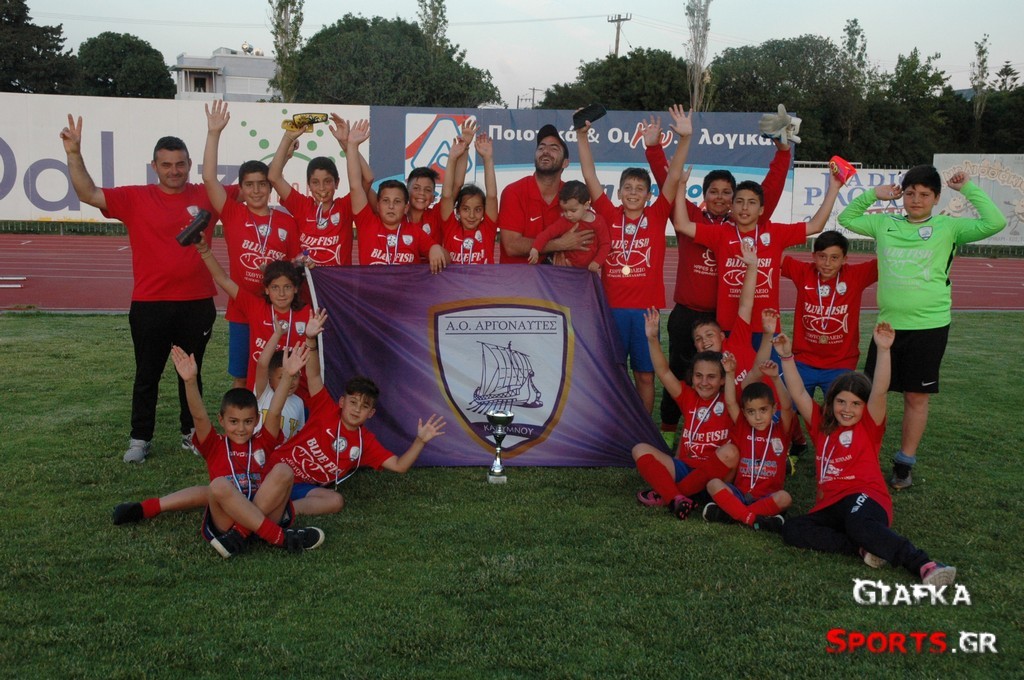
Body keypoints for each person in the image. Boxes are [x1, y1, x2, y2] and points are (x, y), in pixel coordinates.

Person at [60, 114, 218, 463]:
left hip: (197, 302)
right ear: (154, 166)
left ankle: (192, 433)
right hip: (150, 303)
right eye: (166, 165)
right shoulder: (135, 197)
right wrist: (73, 153)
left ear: (190, 164)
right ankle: (140, 438)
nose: (174, 171)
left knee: (191, 373)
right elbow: (88, 193)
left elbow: (257, 187)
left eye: (180, 164)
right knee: (147, 374)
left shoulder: (208, 194)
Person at [838, 167, 1006, 489]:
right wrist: (875, 194)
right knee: (874, 393)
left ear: (937, 198)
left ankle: (904, 464)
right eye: (910, 193)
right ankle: (864, 456)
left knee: (916, 397)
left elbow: (995, 222)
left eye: (925, 194)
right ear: (902, 194)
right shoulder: (884, 223)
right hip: (887, 328)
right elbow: (847, 218)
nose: (916, 200)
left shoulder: (949, 227)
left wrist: (968, 189)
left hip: (930, 326)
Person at [774, 327, 957, 586]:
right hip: (830, 505)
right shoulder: (821, 425)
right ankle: (860, 548)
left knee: (858, 523)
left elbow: (879, 390)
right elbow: (799, 393)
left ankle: (923, 564)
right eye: (841, 402)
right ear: (831, 402)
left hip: (865, 497)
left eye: (856, 404)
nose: (847, 409)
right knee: (793, 529)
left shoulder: (869, 426)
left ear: (865, 406)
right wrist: (786, 356)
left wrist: (883, 349)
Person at [115, 344, 325, 558]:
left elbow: (275, 411)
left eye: (248, 421)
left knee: (283, 470)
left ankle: (241, 534)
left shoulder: (262, 442)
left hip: (263, 510)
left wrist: (288, 376)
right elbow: (199, 416)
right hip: (227, 519)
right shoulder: (214, 445)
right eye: (234, 421)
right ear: (221, 420)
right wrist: (189, 381)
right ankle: (280, 538)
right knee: (218, 486)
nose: (241, 428)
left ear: (256, 421)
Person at [660, 127, 793, 443]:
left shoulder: (741, 225)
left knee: (722, 377)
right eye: (713, 192)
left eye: (726, 193)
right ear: (704, 195)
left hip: (722, 321)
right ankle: (669, 431)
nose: (720, 197)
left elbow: (769, 193)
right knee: (681, 374)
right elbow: (670, 186)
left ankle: (722, 431)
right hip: (686, 314)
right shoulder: (694, 218)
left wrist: (783, 154)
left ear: (735, 201)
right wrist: (657, 152)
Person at [267, 318, 447, 516]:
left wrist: (420, 441)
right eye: (353, 402)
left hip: (302, 487)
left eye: (364, 406)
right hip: (277, 470)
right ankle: (270, 510)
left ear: (371, 413)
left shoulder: (365, 442)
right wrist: (310, 339)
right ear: (342, 402)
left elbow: (399, 466)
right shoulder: (325, 409)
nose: (356, 409)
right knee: (275, 479)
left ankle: (283, 515)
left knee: (335, 500)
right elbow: (314, 375)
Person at [576, 106, 692, 412]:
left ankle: (642, 429)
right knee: (612, 375)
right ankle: (613, 426)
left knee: (644, 375)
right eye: (627, 188)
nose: (633, 193)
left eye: (640, 189)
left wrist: (684, 139)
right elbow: (589, 175)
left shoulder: (657, 215)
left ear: (649, 195)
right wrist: (582, 137)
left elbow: (674, 176)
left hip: (645, 312)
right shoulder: (609, 213)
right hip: (612, 309)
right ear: (619, 193)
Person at [203, 100, 301, 388]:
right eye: (249, 185)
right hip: (242, 310)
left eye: (262, 184)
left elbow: (295, 267)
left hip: (279, 310)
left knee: (280, 373)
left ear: (270, 187)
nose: (256, 190)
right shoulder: (232, 213)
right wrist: (214, 133)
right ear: (241, 189)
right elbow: (209, 178)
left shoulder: (286, 222)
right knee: (242, 375)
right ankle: (241, 418)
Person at [674, 172, 843, 338]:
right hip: (729, 325)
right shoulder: (720, 234)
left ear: (761, 209)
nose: (745, 207)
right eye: (739, 202)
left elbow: (815, 225)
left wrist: (834, 188)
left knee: (770, 358)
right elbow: (682, 224)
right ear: (731, 206)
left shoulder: (775, 233)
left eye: (752, 202)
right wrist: (681, 185)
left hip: (766, 325)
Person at [632, 308, 737, 520]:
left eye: (711, 377)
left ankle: (670, 494)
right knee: (639, 449)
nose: (704, 382)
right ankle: (677, 498)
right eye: (699, 376)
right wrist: (652, 338)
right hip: (685, 467)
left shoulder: (730, 399)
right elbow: (663, 372)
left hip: (713, 474)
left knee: (731, 452)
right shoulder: (688, 396)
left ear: (722, 380)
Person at [268, 113, 375, 267]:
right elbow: (274, 177)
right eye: (315, 182)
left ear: (337, 183)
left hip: (337, 282)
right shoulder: (302, 206)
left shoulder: (345, 206)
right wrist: (288, 137)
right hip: (306, 282)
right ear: (309, 185)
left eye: (327, 181)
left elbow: (367, 179)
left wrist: (349, 146)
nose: (322, 188)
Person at [781, 230, 878, 397]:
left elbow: (889, 260)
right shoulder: (803, 272)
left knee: (840, 410)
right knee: (791, 408)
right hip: (803, 361)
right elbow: (772, 254)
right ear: (813, 256)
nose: (827, 263)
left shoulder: (855, 275)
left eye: (834, 258)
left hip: (841, 363)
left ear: (844, 259)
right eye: (822, 256)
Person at [701, 358, 794, 532]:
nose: (758, 417)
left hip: (767, 496)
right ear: (744, 413)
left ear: (774, 409)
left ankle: (730, 513)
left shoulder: (781, 431)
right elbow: (730, 402)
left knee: (785, 498)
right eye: (751, 412)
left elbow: (788, 407)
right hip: (739, 494)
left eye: (763, 410)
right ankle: (753, 518)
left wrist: (775, 378)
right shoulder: (743, 427)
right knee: (713, 484)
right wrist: (730, 373)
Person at [345, 120, 448, 270]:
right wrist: (352, 146)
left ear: (406, 207)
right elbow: (355, 185)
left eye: (397, 201)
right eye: (386, 201)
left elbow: (446, 258)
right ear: (377, 205)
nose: (391, 206)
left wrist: (436, 249)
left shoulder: (414, 232)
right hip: (372, 287)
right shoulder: (367, 223)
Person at [497, 124, 593, 264]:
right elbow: (511, 246)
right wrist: (559, 245)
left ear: (565, 163)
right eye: (541, 148)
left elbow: (583, 239)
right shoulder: (514, 191)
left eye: (554, 148)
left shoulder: (574, 194)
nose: (545, 151)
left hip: (559, 276)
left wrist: (568, 257)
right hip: (517, 277)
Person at [438, 131, 498, 265]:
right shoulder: (450, 227)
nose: (471, 215)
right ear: (457, 210)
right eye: (465, 209)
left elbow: (492, 196)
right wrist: (452, 159)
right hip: (453, 280)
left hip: (483, 280)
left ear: (484, 211)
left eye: (478, 209)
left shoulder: (487, 229)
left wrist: (487, 159)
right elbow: (447, 195)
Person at [528, 181, 610, 271]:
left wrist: (597, 262)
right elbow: (547, 234)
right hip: (567, 270)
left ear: (586, 205)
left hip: (589, 271)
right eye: (565, 211)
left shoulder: (599, 222)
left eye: (573, 211)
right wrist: (535, 248)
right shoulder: (564, 222)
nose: (568, 215)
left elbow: (605, 244)